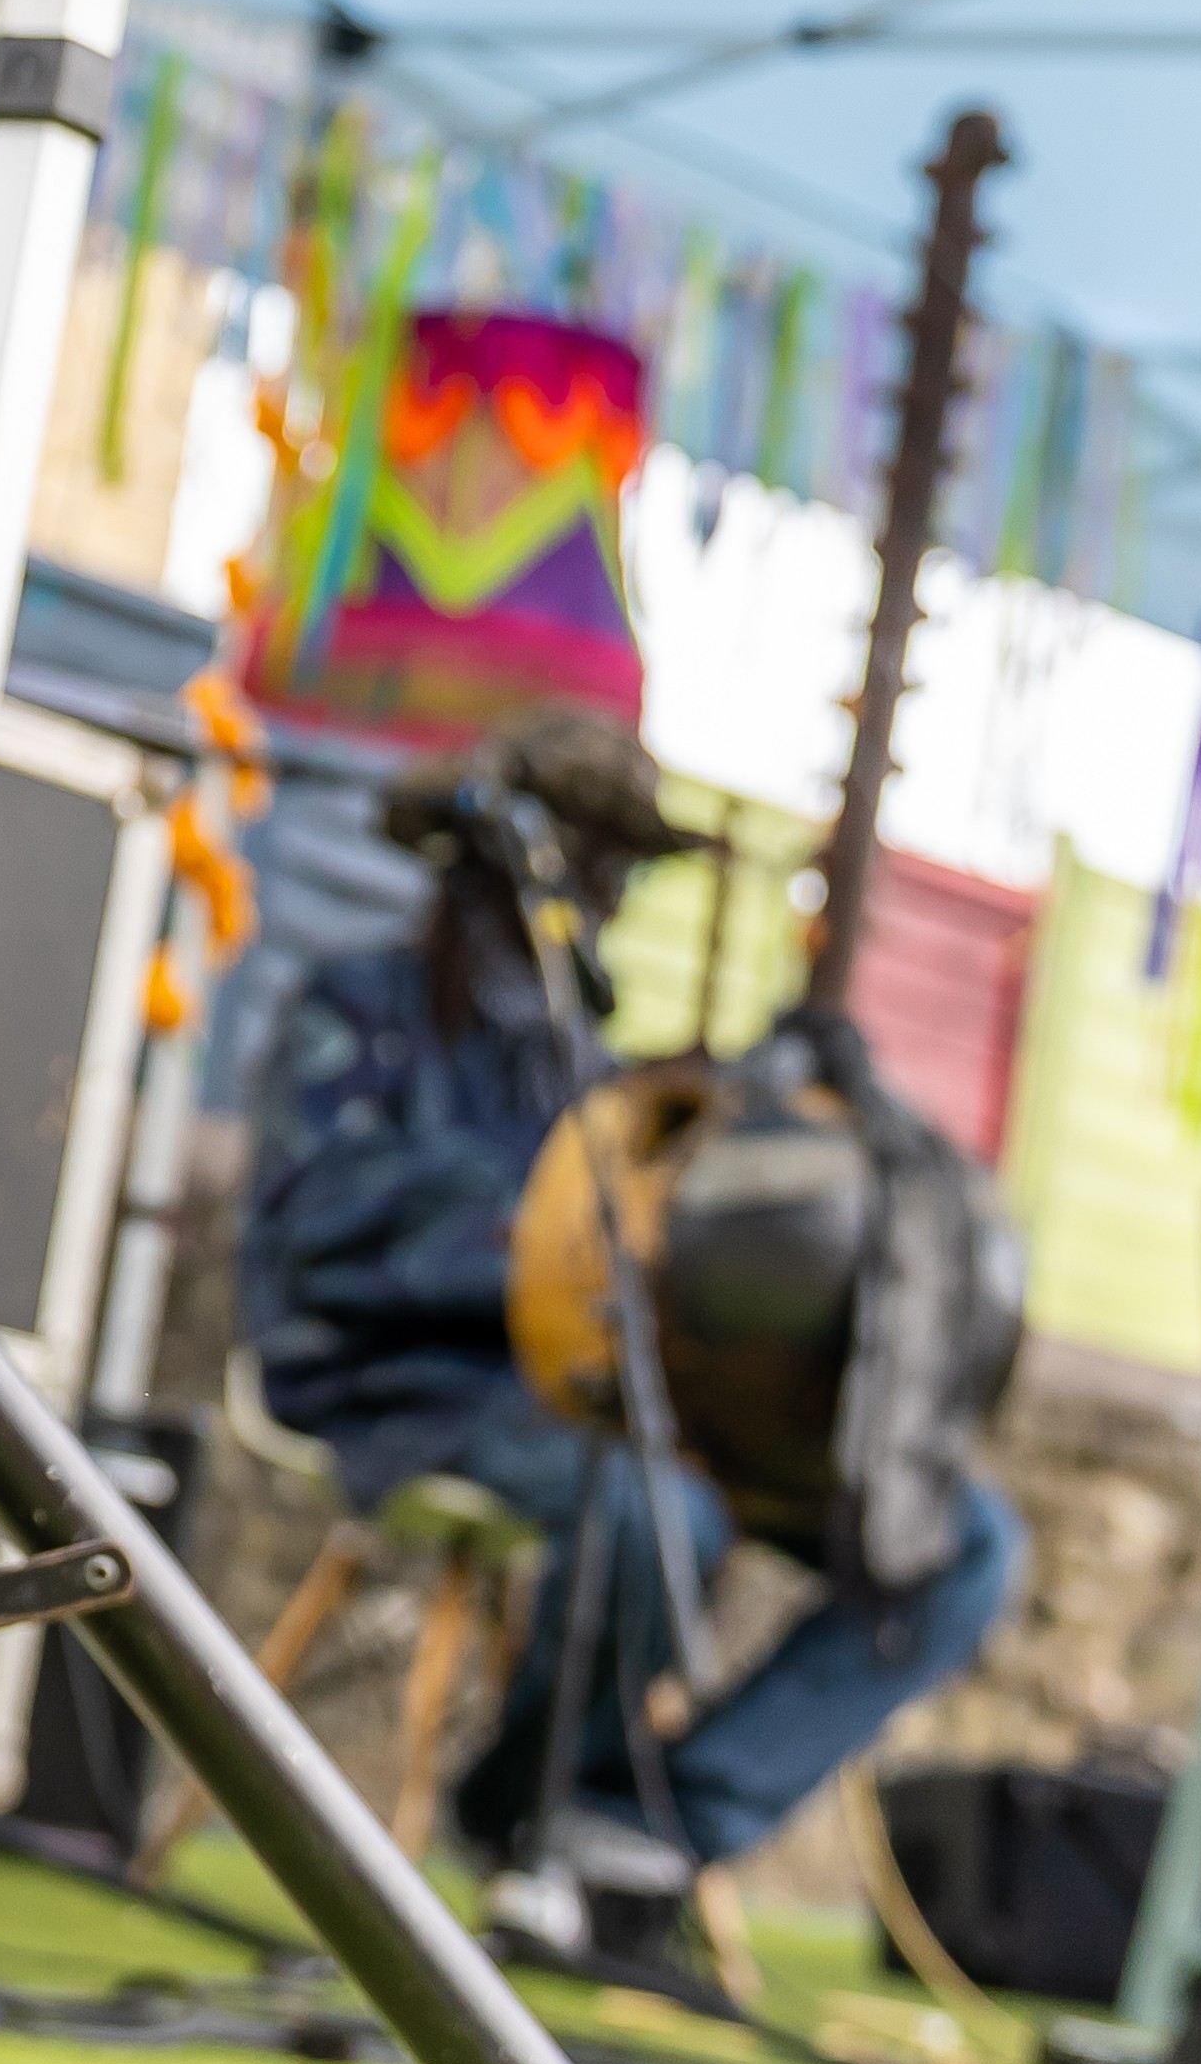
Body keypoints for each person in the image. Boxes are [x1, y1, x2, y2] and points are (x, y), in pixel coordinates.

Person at [240, 707, 1026, 1967]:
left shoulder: (585, 1062)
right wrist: (528, 1238)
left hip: (610, 1394)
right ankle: (522, 1816)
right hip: (411, 1386)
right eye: (577, 860)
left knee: (963, 1540)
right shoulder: (358, 1009)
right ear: (490, 862)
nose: (596, 894)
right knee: (663, 1515)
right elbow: (314, 1232)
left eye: (615, 871)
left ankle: (637, 1828)